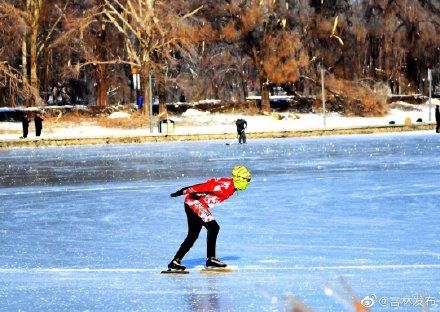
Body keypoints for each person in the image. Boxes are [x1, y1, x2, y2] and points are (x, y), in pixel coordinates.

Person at [167, 166, 251, 271]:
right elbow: (202, 186)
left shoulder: (231, 187)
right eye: (247, 180)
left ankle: (175, 261)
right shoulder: (224, 186)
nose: (248, 182)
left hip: (194, 203)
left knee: (193, 235)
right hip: (194, 202)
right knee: (214, 227)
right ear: (239, 179)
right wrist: (182, 191)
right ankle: (211, 259)